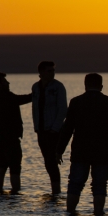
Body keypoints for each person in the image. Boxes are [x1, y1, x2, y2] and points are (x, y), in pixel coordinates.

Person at [56, 73, 108, 215]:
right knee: (100, 185)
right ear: (101, 86)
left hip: (81, 151)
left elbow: (67, 128)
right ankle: (98, 214)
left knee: (75, 184)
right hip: (103, 151)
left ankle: (70, 214)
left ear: (85, 85)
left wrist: (59, 150)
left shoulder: (76, 102)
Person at [0, 73, 32, 193]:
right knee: (15, 169)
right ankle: (15, 194)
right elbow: (26, 98)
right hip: (11, 141)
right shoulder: (9, 98)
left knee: (1, 168)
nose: (8, 83)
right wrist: (38, 92)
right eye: (5, 81)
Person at [31, 61, 68, 194]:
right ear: (41, 72)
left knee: (53, 161)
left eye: (53, 70)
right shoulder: (36, 87)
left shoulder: (58, 87)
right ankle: (54, 189)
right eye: (49, 71)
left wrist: (55, 128)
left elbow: (63, 109)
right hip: (41, 130)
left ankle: (56, 191)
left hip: (54, 130)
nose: (52, 73)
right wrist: (36, 127)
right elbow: (35, 108)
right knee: (47, 160)